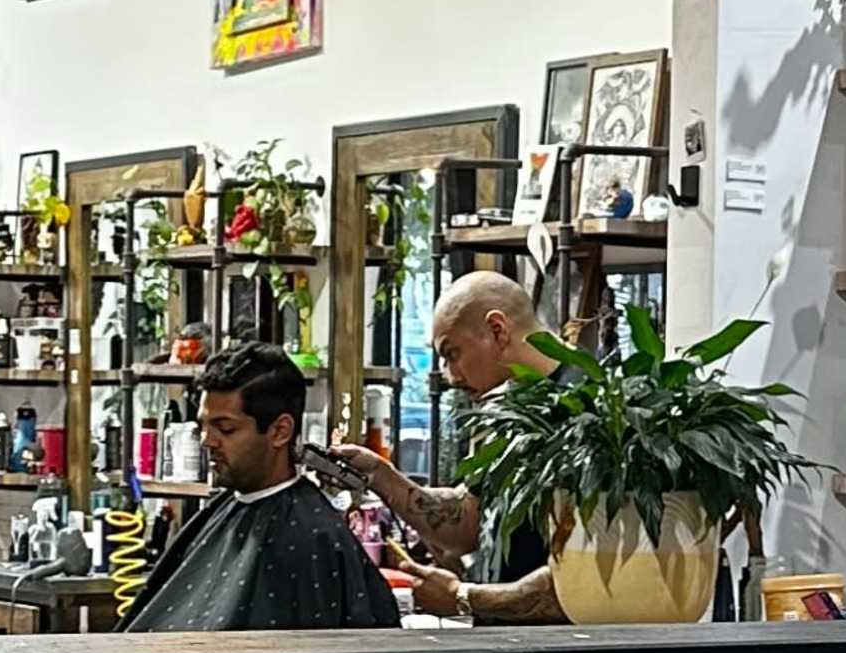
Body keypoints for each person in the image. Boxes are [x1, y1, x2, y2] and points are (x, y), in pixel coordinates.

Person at [318, 270, 565, 623]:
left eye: (452, 353)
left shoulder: (588, 414)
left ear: (498, 330)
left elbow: (580, 584)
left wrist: (463, 598)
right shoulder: (507, 408)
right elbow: (466, 522)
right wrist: (379, 475)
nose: (450, 376)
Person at [120, 347, 399, 633]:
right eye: (203, 426)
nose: (207, 442)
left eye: (225, 429)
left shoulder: (315, 537)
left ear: (280, 431)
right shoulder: (221, 511)